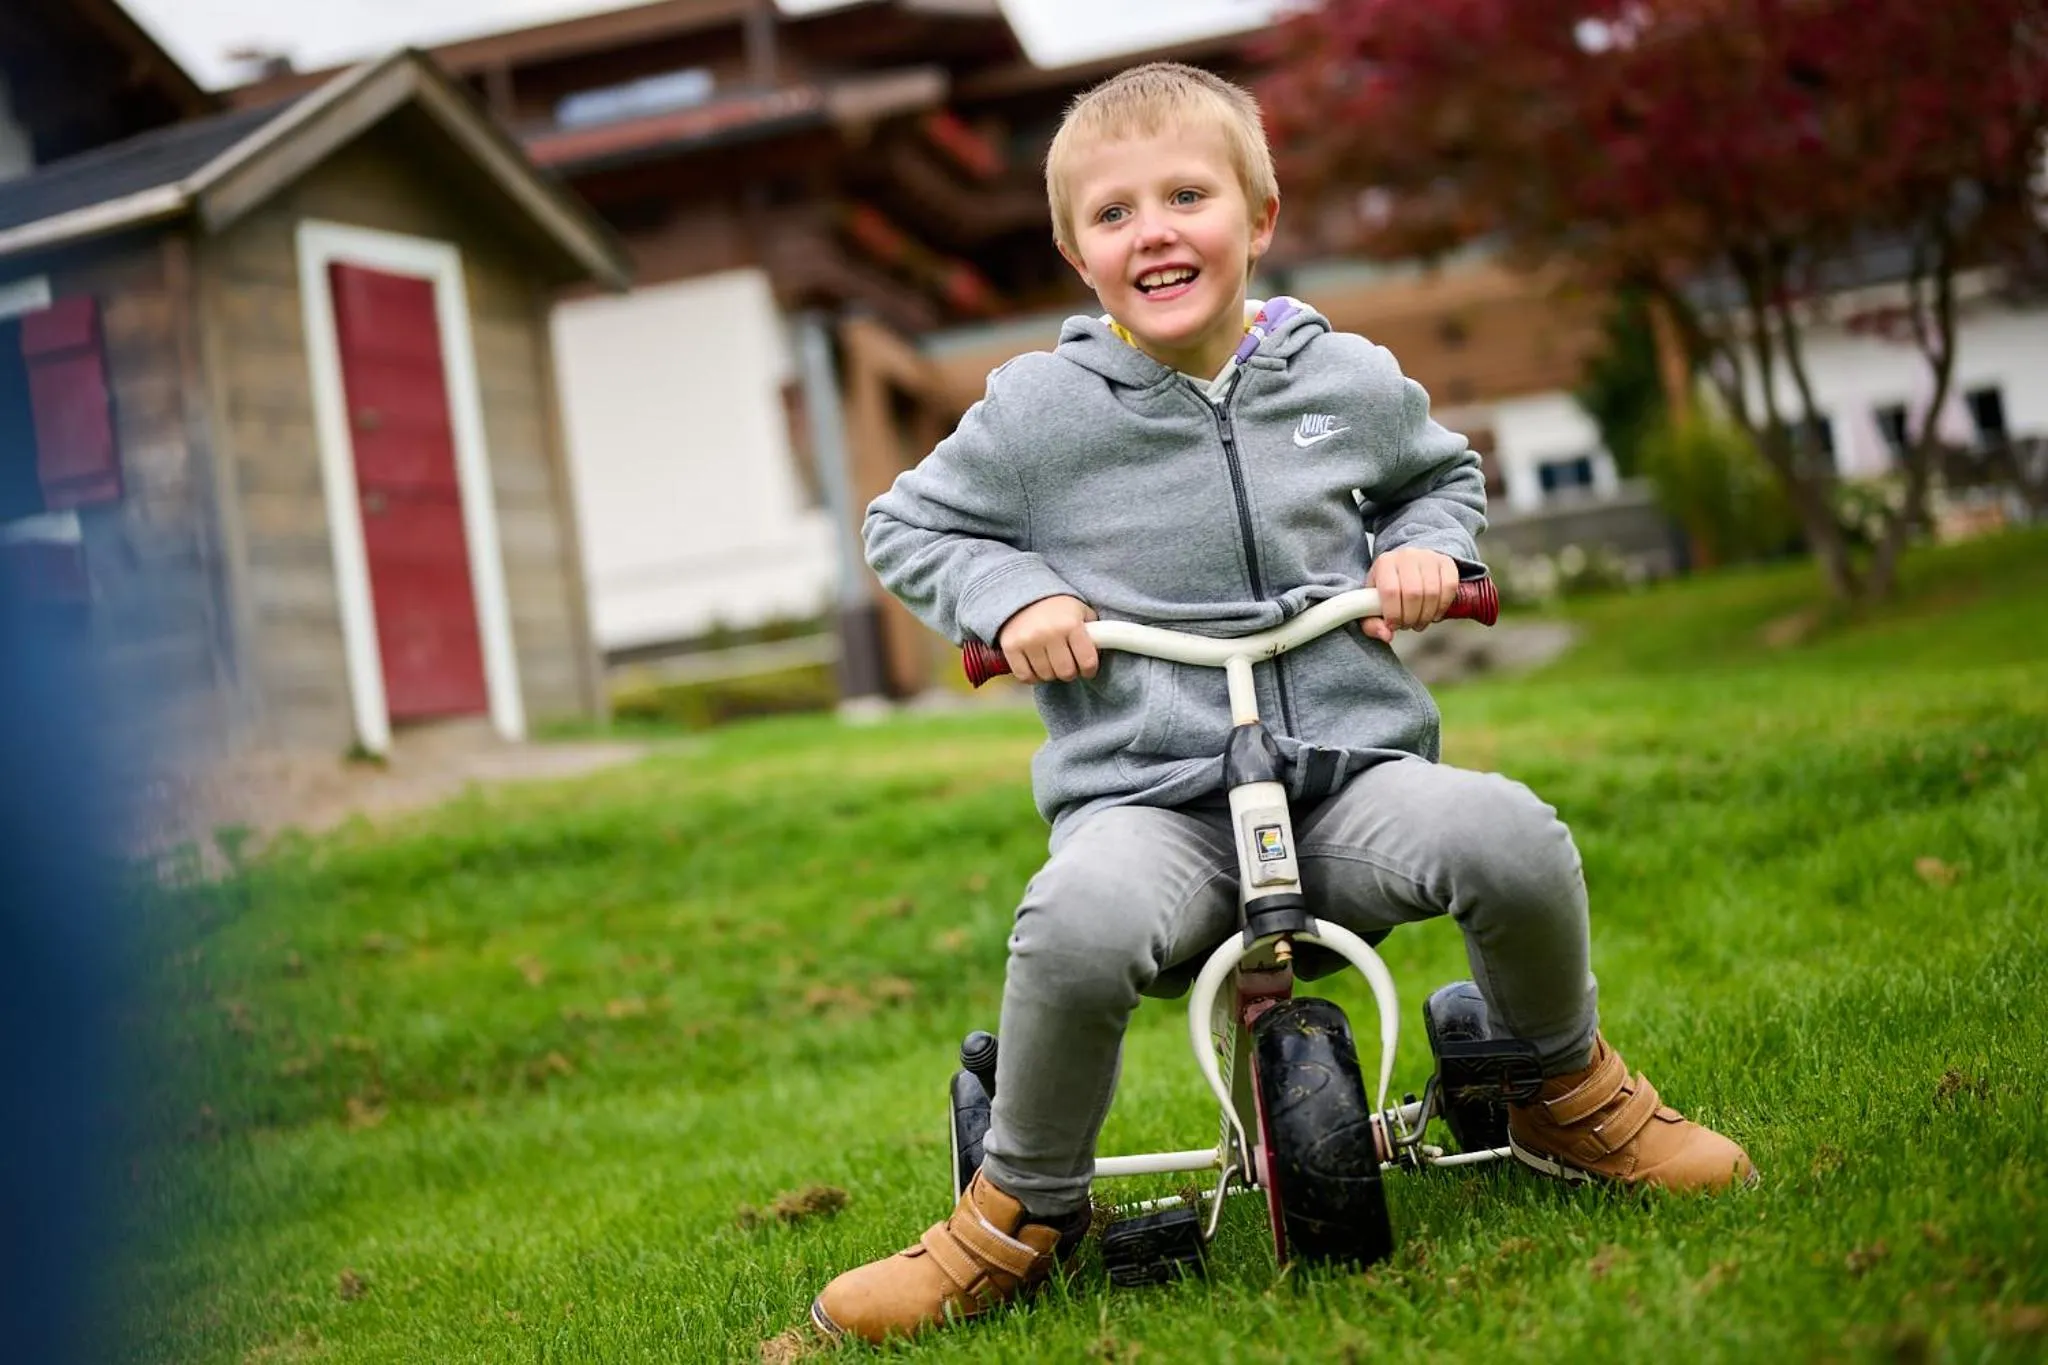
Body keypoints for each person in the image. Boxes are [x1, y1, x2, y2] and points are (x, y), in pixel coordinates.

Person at [811, 61, 1754, 1345]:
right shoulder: (1038, 412)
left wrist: (1425, 554)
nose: (1151, 229)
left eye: (1185, 194)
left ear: (1257, 218)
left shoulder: (1342, 377)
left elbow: (1438, 480)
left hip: (1344, 775)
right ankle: (1015, 1216)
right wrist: (1010, 596)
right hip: (1153, 798)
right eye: (1111, 213)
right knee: (1074, 924)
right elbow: (904, 522)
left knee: (1508, 836)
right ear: (1073, 252)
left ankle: (1563, 1090)